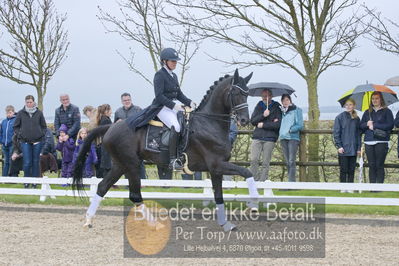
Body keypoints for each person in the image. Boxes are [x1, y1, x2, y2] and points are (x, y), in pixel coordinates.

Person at [126, 48, 196, 171]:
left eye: (176, 61)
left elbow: (179, 94)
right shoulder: (159, 75)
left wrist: (189, 102)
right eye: (172, 61)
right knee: (177, 126)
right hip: (162, 108)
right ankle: (173, 160)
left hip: (172, 107)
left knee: (186, 123)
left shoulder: (173, 75)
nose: (175, 63)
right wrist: (174, 106)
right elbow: (159, 96)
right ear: (164, 61)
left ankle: (181, 152)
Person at [360, 92, 394, 184]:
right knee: (371, 165)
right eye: (373, 99)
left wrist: (375, 125)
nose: (374, 100)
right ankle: (372, 187)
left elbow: (390, 125)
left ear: (381, 99)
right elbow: (361, 126)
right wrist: (367, 124)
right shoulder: (367, 112)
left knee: (379, 164)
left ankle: (379, 187)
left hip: (381, 141)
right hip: (369, 142)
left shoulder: (387, 111)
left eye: (377, 98)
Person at [13, 95, 46, 188]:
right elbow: (15, 126)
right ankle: (26, 182)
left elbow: (44, 126)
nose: (29, 104)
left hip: (37, 142)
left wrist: (41, 134)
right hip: (25, 141)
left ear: (34, 102)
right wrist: (20, 135)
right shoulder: (20, 113)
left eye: (30, 102)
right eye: (27, 102)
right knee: (27, 162)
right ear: (25, 103)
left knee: (35, 162)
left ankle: (34, 182)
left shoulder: (39, 113)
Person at [249, 89, 282, 181]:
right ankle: (254, 180)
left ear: (271, 96)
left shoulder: (277, 106)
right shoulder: (259, 106)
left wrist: (263, 124)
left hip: (270, 138)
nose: (265, 98)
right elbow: (253, 121)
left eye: (267, 96)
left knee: (265, 162)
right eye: (263, 96)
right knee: (254, 159)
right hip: (257, 137)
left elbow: (277, 125)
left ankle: (262, 182)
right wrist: (263, 115)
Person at [114, 93, 146, 179]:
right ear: (122, 101)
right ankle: (128, 181)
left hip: (136, 140)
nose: (127, 102)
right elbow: (115, 127)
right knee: (125, 161)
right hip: (123, 141)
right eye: (125, 100)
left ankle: (143, 181)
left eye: (128, 100)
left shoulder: (138, 109)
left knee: (139, 161)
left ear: (131, 100)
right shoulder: (118, 112)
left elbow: (143, 123)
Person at [333, 99, 361, 192]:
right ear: (344, 106)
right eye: (347, 105)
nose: (348, 106)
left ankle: (350, 188)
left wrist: (358, 148)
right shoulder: (339, 117)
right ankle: (343, 187)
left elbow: (358, 135)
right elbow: (336, 133)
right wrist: (339, 146)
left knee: (351, 169)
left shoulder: (357, 119)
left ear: (354, 106)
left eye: (350, 104)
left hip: (353, 148)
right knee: (343, 169)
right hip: (343, 148)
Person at [279, 94, 304, 182]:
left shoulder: (297, 110)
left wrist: (291, 130)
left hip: (292, 138)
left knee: (291, 161)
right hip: (283, 138)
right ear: (281, 102)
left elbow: (300, 125)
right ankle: (290, 183)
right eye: (283, 100)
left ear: (290, 101)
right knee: (287, 161)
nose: (285, 102)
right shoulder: (281, 112)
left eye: (287, 100)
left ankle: (291, 183)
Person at [96, 104, 112, 178]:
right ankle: (108, 181)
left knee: (107, 163)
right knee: (107, 164)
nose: (111, 112)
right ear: (106, 111)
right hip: (107, 145)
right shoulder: (105, 120)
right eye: (110, 110)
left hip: (105, 144)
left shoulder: (103, 119)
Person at [0, 105, 17, 176]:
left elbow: (17, 133)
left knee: (12, 161)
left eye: (10, 112)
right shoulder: (3, 122)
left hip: (12, 145)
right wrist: (1, 141)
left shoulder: (16, 120)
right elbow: (1, 132)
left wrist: (14, 142)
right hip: (4, 145)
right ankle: (4, 177)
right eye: (7, 113)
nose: (8, 114)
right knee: (6, 161)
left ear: (13, 112)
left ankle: (13, 177)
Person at [223, 117, 239, 181]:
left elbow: (233, 132)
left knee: (225, 163)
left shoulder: (230, 119)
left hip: (224, 145)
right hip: (213, 144)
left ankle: (228, 184)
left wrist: (225, 140)